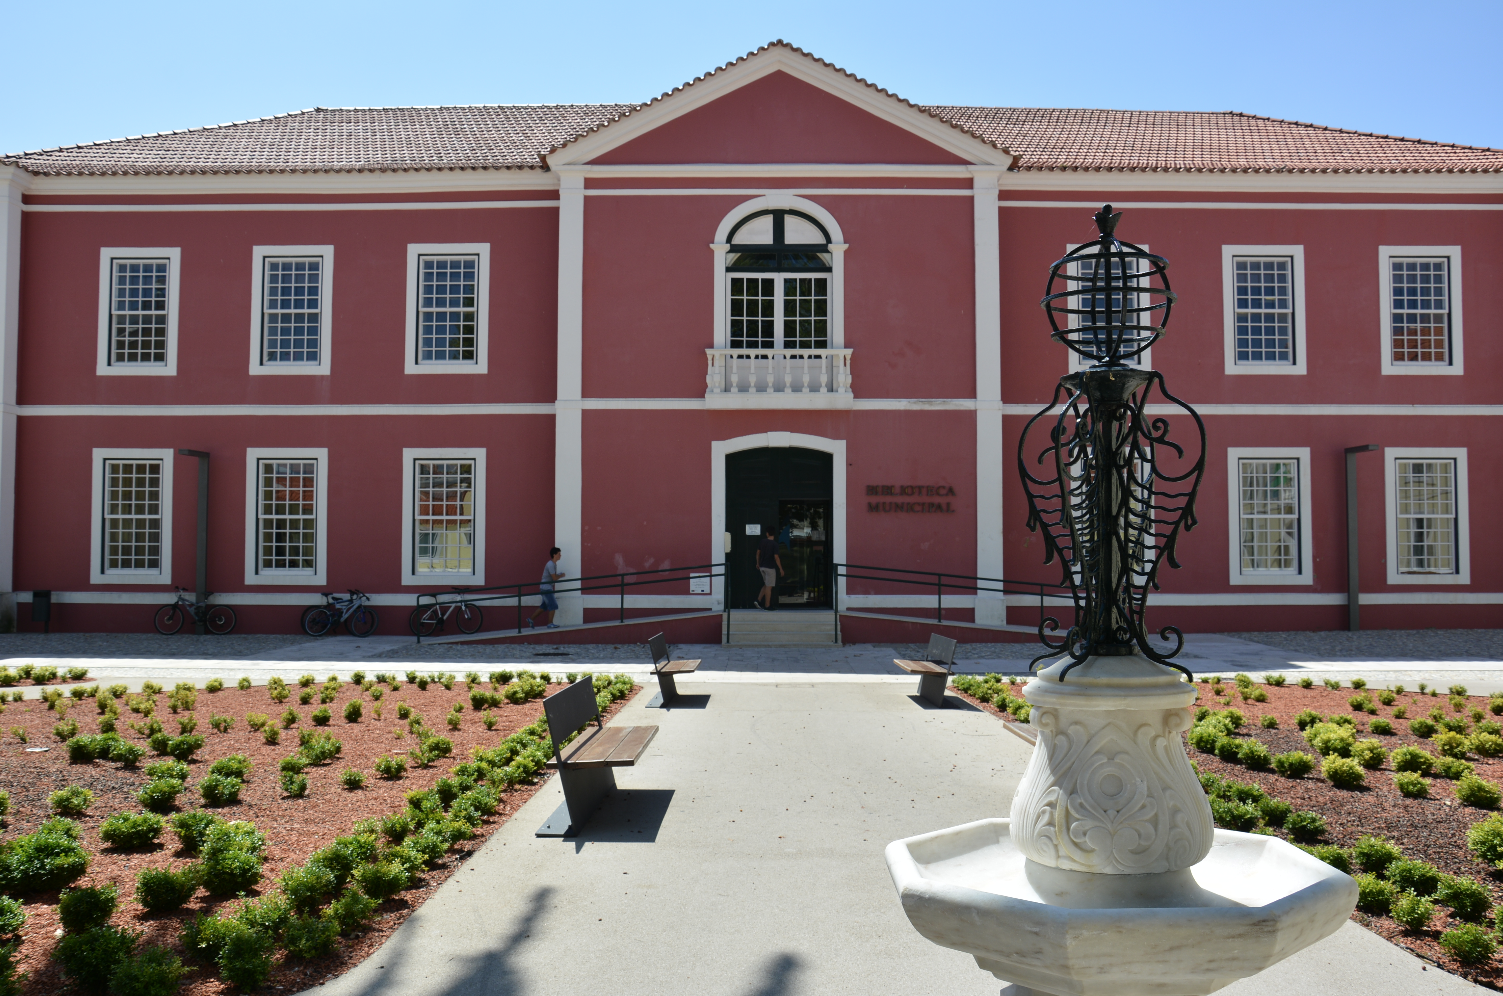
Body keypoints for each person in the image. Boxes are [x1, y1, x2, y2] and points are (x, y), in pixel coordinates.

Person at [526, 547, 565, 629]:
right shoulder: (550, 564)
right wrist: (561, 575)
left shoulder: (553, 564)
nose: (560, 555)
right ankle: (550, 623)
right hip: (546, 588)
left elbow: (553, 577)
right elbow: (554, 578)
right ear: (554, 555)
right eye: (559, 554)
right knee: (553, 605)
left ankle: (531, 619)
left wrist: (559, 575)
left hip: (545, 587)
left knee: (544, 606)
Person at [755, 527, 783, 610]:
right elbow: (776, 557)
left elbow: (758, 553)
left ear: (767, 533)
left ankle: (758, 600)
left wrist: (758, 563)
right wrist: (781, 568)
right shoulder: (774, 544)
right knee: (769, 586)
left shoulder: (762, 542)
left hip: (762, 567)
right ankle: (767, 605)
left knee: (766, 584)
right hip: (770, 567)